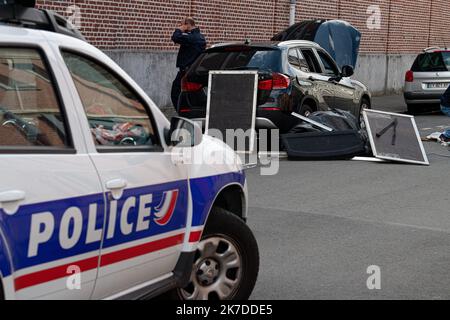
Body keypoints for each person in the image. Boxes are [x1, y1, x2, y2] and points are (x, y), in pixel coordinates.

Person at [171, 17, 206, 110]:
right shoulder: (200, 36)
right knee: (193, 94)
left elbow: (175, 37)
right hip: (193, 70)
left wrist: (179, 29)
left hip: (186, 71)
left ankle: (181, 112)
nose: (181, 26)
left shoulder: (191, 37)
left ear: (188, 25)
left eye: (182, 24)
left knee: (175, 93)